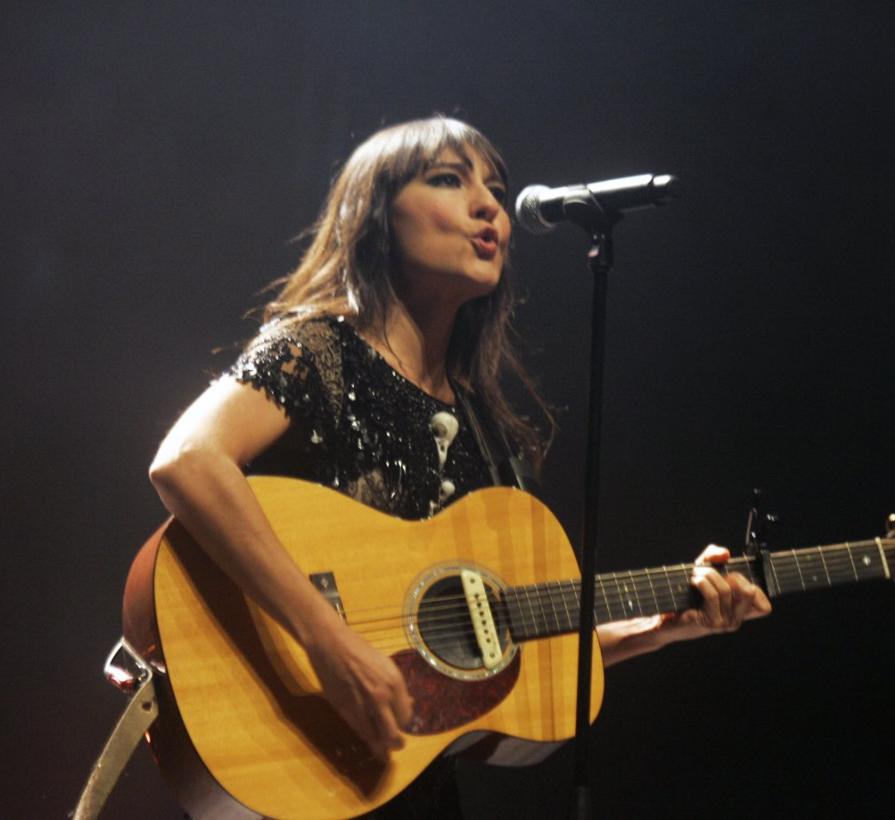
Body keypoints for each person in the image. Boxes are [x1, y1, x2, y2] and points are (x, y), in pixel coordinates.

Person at [147, 116, 771, 817]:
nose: (489, 207)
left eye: (496, 190)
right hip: (301, 746)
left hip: (411, 787)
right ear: (374, 214)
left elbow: (492, 635)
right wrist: (329, 641)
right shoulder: (317, 349)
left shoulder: (483, 427)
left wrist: (664, 625)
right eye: (449, 179)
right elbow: (187, 461)